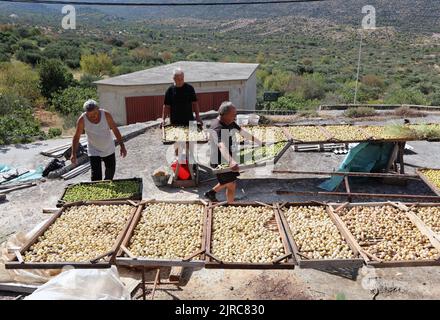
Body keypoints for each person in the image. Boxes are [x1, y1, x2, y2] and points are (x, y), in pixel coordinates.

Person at [205, 101, 264, 203]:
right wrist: (231, 161)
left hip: (228, 157)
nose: (235, 117)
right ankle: (231, 205)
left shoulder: (230, 122)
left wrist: (259, 142)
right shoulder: (217, 127)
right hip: (220, 160)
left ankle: (211, 193)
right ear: (225, 115)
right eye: (233, 115)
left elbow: (243, 132)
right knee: (231, 183)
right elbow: (221, 145)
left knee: (229, 182)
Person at [71, 99, 127, 181]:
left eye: (95, 114)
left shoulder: (106, 115)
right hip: (94, 150)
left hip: (108, 148)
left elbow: (115, 130)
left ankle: (107, 190)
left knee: (110, 173)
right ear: (86, 113)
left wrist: (122, 146)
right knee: (96, 177)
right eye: (90, 115)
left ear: (98, 109)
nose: (93, 117)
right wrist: (73, 153)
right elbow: (76, 137)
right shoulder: (82, 120)